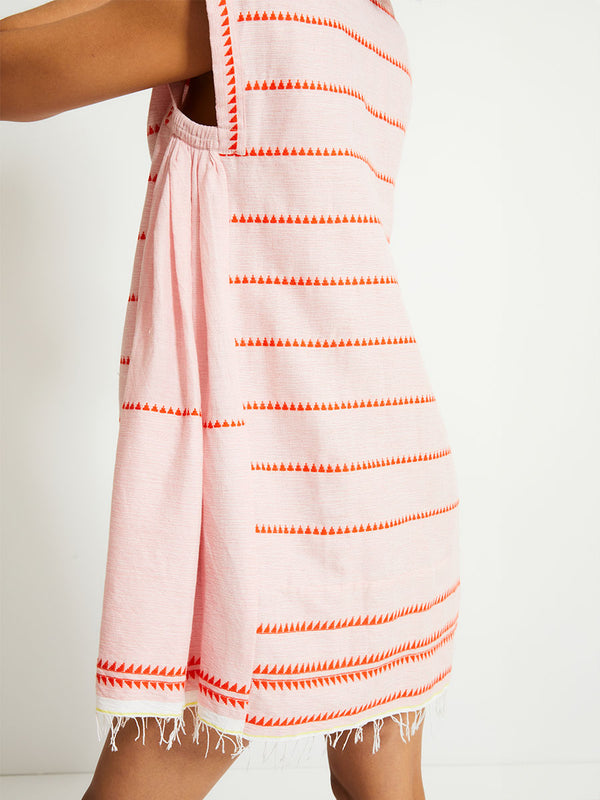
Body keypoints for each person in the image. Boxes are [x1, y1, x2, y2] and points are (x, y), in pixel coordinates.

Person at [1, 2, 459, 799]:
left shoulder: (237, 11)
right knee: (380, 789)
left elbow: (12, 71)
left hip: (272, 498)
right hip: (393, 478)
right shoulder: (378, 28)